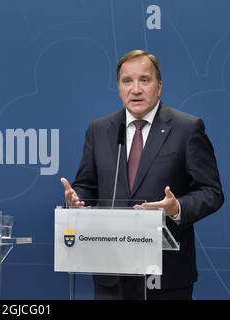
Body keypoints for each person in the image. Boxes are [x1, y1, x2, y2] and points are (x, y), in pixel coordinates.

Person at [60, 49, 224, 300]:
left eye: (144, 80)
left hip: (166, 273)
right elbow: (86, 185)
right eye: (127, 81)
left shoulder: (187, 128)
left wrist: (176, 207)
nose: (135, 89)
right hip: (111, 272)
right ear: (118, 87)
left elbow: (211, 192)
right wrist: (77, 200)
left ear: (159, 87)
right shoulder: (100, 129)